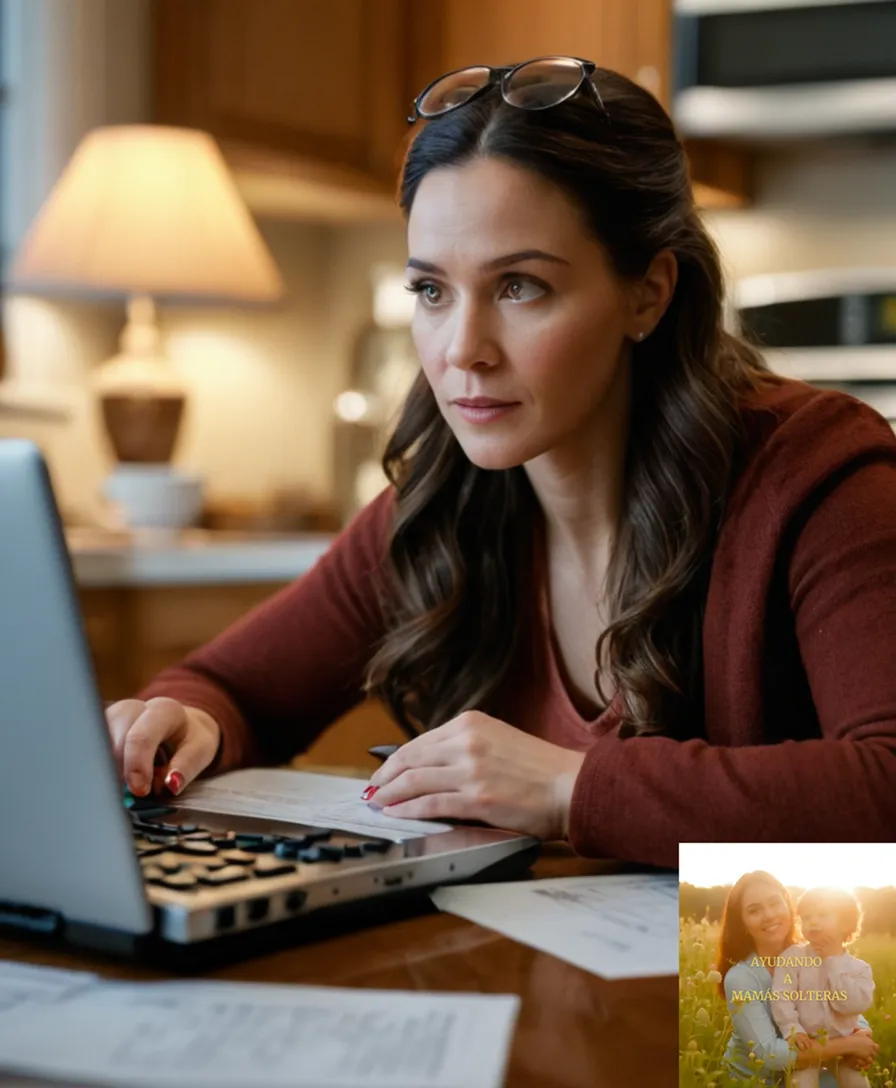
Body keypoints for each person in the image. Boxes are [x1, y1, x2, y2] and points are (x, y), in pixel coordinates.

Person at [104, 56, 896, 869]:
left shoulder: (818, 473)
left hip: (780, 988)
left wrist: (569, 788)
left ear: (648, 294)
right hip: (544, 977)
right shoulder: (445, 503)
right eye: (432, 292)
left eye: (520, 286)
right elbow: (231, 688)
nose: (461, 352)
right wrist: (183, 722)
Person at [716, 872, 877, 1085]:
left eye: (775, 903)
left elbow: (840, 1003)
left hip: (811, 1064)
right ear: (742, 923)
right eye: (754, 910)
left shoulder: (815, 954)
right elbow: (768, 1054)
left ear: (789, 906)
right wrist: (849, 1045)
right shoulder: (741, 978)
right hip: (756, 1080)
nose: (769, 915)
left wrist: (862, 1033)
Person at [770, 887, 874, 1088]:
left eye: (823, 915)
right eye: (807, 917)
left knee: (858, 1083)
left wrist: (833, 962)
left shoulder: (859, 969)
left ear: (846, 924)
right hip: (808, 1044)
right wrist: (793, 1030)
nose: (813, 922)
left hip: (845, 1049)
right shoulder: (792, 958)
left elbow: (851, 1006)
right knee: (800, 1083)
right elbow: (781, 997)